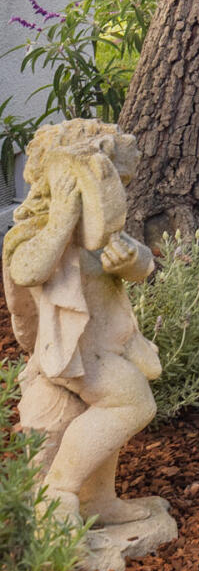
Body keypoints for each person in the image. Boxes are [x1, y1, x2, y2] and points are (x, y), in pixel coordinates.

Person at [2, 121, 161, 529]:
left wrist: (132, 261)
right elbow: (27, 270)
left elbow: (141, 265)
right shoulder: (33, 234)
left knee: (108, 415)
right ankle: (60, 491)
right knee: (132, 402)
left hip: (110, 344)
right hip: (71, 351)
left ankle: (98, 500)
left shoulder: (99, 233)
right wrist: (61, 220)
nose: (116, 195)